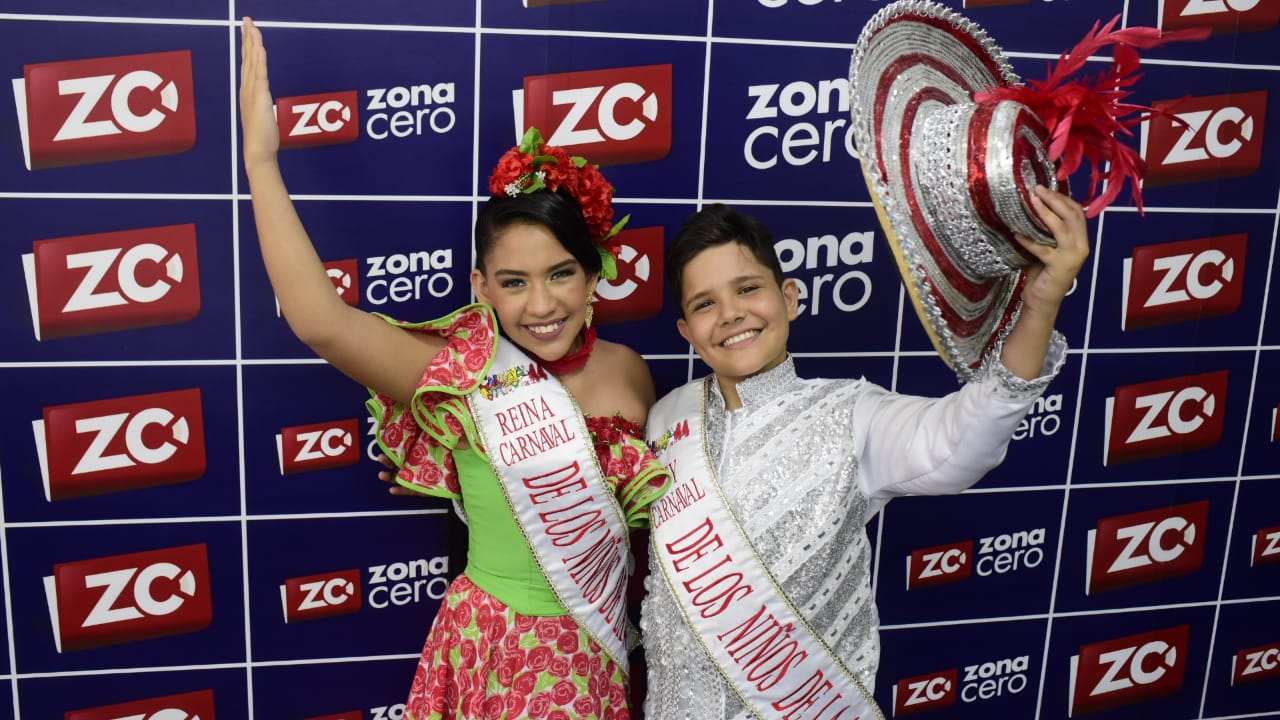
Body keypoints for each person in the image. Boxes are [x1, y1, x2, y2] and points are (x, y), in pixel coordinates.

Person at [239, 18, 670, 720]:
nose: (541, 304)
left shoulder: (631, 372)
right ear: (480, 287)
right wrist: (262, 162)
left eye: (561, 273)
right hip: (490, 644)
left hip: (597, 654)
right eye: (514, 281)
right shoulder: (458, 372)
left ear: (596, 278)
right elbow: (321, 322)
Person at [638, 192, 1085, 719]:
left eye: (747, 289)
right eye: (704, 303)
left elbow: (965, 441)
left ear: (790, 298)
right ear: (688, 332)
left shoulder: (852, 413)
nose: (731, 314)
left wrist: (1039, 305)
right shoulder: (670, 418)